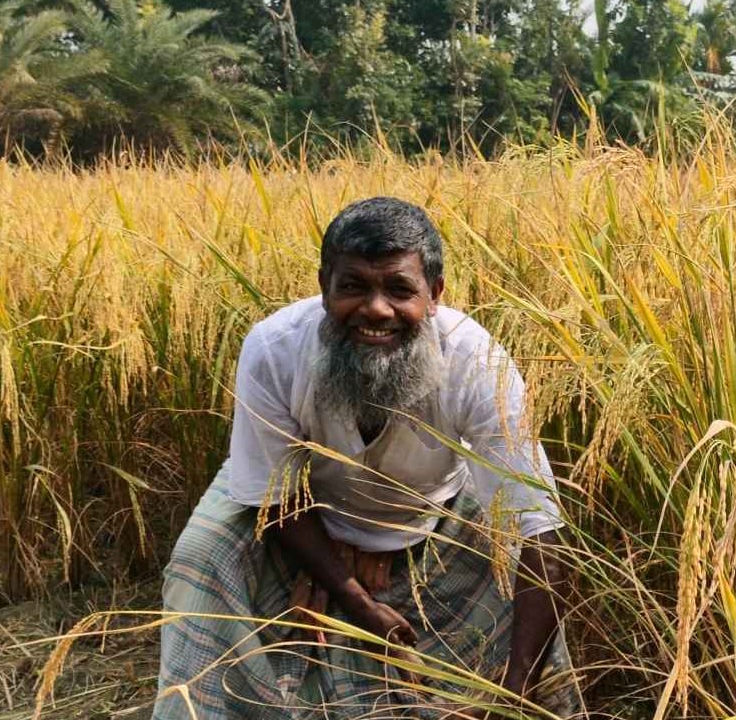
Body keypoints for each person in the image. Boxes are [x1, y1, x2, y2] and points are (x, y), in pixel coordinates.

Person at [154, 197, 581, 719]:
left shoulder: (477, 364)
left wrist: (513, 695)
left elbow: (538, 530)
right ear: (324, 286)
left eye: (399, 290)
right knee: (201, 558)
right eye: (353, 286)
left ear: (435, 295)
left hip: (431, 506)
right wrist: (355, 599)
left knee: (519, 581)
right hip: (295, 504)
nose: (376, 310)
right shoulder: (274, 349)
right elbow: (276, 493)